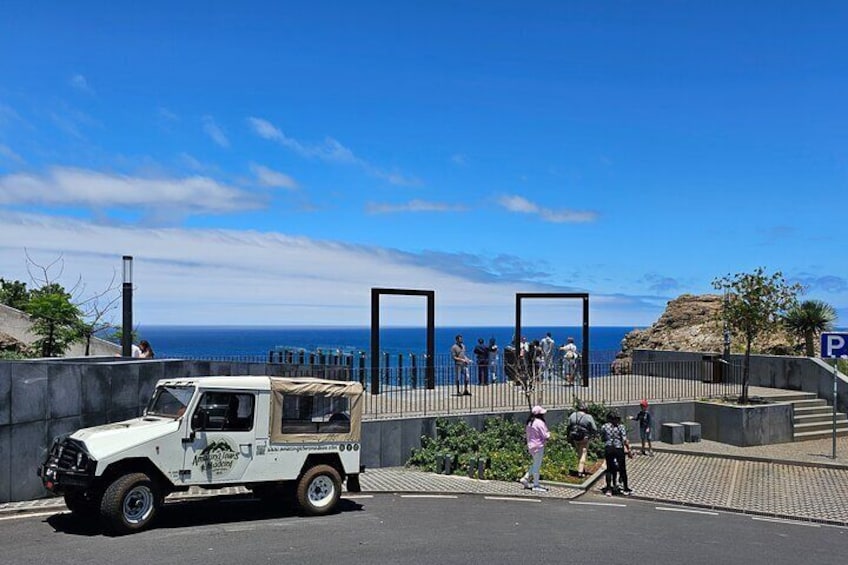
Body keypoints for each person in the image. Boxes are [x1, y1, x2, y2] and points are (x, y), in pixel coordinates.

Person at [518, 405, 551, 492]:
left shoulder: (530, 422)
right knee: (537, 465)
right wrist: (549, 435)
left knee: (535, 463)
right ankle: (536, 484)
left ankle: (526, 477)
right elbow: (545, 435)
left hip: (531, 445)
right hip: (538, 446)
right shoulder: (540, 423)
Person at [600, 409, 632, 496]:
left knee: (609, 469)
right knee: (622, 468)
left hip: (609, 448)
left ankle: (609, 489)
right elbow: (625, 440)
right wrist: (628, 450)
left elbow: (602, 438)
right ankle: (625, 488)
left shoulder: (604, 426)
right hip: (619, 448)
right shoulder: (621, 427)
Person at [567, 401, 597, 478]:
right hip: (584, 437)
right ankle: (580, 472)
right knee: (583, 453)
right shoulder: (588, 417)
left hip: (574, 436)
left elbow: (568, 426)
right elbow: (594, 428)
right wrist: (593, 435)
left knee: (579, 452)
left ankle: (582, 469)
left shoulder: (573, 415)